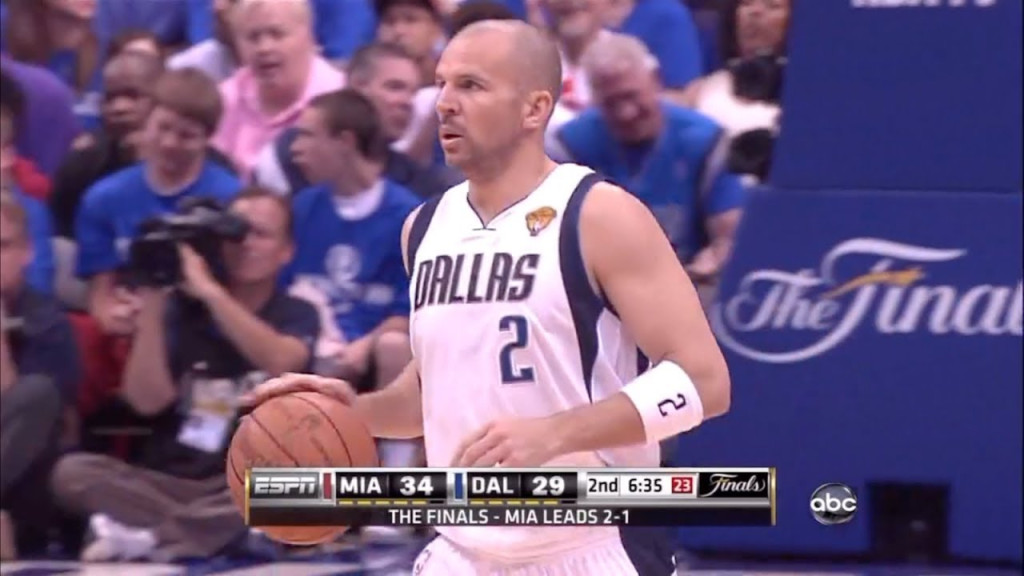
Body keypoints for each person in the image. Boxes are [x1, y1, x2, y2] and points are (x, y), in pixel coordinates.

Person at [245, 20, 731, 574]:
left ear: (534, 109)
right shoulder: (424, 227)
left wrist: (555, 434)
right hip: (463, 550)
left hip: (591, 543)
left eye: (471, 86)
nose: (444, 104)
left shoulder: (599, 214)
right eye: (442, 84)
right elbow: (433, 396)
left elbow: (705, 382)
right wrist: (349, 412)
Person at [52, 188, 320, 563]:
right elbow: (146, 401)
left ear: (286, 251)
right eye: (236, 233)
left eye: (260, 234)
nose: (245, 244)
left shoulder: (297, 312)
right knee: (71, 472)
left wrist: (211, 292)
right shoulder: (182, 311)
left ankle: (149, 537)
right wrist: (154, 303)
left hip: (248, 480)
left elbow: (282, 361)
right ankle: (211, 534)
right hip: (171, 482)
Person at [552, 32, 747, 287]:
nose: (626, 113)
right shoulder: (570, 146)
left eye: (631, 96)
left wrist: (710, 262)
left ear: (656, 81)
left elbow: (729, 238)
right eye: (610, 103)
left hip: (687, 283)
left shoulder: (706, 141)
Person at [0, 192, 80, 559]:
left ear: (26, 253)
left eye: (2, 246)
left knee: (37, 393)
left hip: (22, 491)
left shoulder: (48, 324)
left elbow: (22, 418)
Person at [213, 0, 345, 178]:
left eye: (277, 34)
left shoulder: (340, 97)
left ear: (309, 37)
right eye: (253, 38)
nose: (264, 48)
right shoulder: (224, 99)